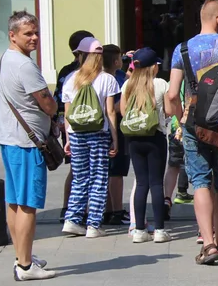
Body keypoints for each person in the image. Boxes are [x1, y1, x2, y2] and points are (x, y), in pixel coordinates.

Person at [166, 0, 218, 265]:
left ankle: (208, 244)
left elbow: (173, 93)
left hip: (194, 119)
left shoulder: (182, 49)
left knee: (200, 180)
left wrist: (180, 120)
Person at [0, 10, 58, 281]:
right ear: (13, 35)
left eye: (36, 33)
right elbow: (48, 103)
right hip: (28, 143)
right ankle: (24, 265)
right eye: (27, 34)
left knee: (14, 201)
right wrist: (54, 109)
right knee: (28, 204)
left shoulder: (7, 58)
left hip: (10, 139)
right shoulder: (25, 65)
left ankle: (23, 256)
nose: (34, 38)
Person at [62, 38, 121, 238]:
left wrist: (68, 138)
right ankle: (93, 224)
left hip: (76, 134)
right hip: (98, 133)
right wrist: (115, 138)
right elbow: (110, 111)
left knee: (79, 177)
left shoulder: (71, 79)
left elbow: (67, 113)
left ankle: (72, 219)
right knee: (98, 178)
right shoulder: (107, 79)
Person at [121, 47, 172, 243]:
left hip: (134, 138)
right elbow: (168, 110)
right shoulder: (160, 84)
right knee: (156, 183)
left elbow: (124, 111)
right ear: (153, 67)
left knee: (141, 182)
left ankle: (139, 230)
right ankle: (159, 230)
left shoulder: (128, 85)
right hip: (155, 136)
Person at [57, 30, 94, 218]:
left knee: (77, 169)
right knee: (90, 170)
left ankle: (68, 207)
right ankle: (81, 209)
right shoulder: (87, 73)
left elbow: (59, 100)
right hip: (87, 124)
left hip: (69, 124)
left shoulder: (65, 71)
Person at [103, 44, 131, 226]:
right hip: (115, 128)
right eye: (121, 57)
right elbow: (112, 107)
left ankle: (105, 210)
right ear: (115, 61)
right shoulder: (113, 79)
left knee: (105, 171)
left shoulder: (95, 77)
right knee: (115, 171)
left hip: (101, 129)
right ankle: (116, 210)